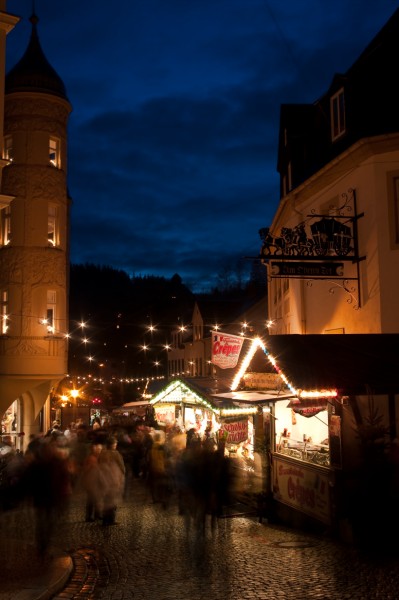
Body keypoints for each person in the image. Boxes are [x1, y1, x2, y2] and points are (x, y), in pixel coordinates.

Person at [98, 436, 125, 525]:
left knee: (106, 500)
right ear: (112, 445)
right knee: (112, 501)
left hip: (104, 479)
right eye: (115, 443)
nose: (116, 445)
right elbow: (121, 466)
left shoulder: (102, 453)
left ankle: (105, 520)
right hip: (114, 479)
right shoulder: (116, 454)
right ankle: (111, 519)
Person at [81, 443, 104, 522]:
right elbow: (84, 470)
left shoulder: (100, 458)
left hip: (98, 482)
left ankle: (97, 514)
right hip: (91, 482)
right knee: (91, 500)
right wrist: (91, 466)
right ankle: (89, 516)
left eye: (100, 449)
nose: (99, 451)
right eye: (98, 449)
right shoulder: (90, 458)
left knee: (98, 499)